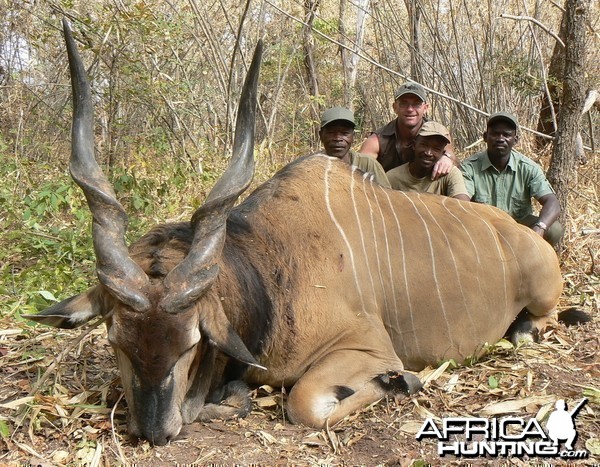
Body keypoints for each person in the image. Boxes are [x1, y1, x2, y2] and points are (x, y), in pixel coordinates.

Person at [460, 112, 564, 246]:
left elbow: (552, 202)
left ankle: (535, 264)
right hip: (483, 226)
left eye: (507, 135)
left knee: (554, 230)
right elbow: (461, 205)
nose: (500, 139)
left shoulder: (528, 168)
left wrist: (539, 228)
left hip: (518, 228)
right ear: (485, 137)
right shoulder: (469, 167)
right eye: (495, 134)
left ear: (515, 140)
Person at [359, 82, 458, 178]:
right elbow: (358, 171)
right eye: (404, 104)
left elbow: (452, 157)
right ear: (395, 107)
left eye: (416, 104)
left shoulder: (439, 134)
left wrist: (447, 158)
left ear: (425, 108)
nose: (410, 109)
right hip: (388, 190)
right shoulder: (377, 140)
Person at [386, 121, 470, 200]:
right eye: (424, 145)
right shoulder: (392, 177)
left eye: (436, 149)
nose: (428, 153)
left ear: (443, 153)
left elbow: (463, 206)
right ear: (414, 145)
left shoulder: (450, 174)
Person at [318, 107, 391, 188]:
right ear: (321, 135)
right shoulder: (309, 166)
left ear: (353, 137)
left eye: (344, 133)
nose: (338, 138)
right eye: (331, 133)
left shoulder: (368, 164)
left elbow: (386, 196)